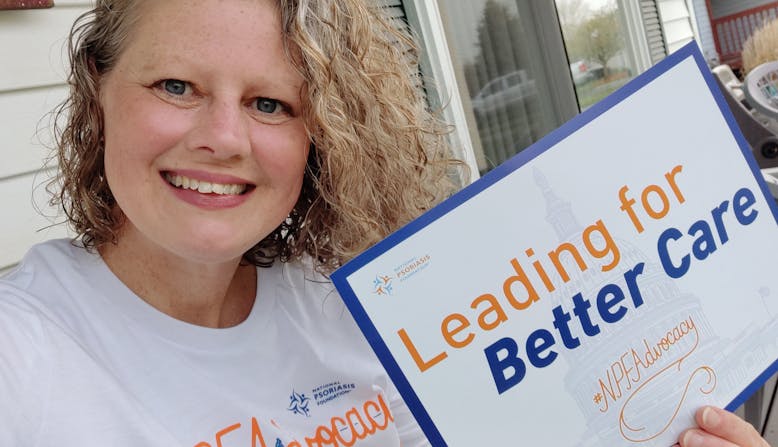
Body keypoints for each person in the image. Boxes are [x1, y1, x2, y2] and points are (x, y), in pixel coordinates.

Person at [0, 0, 770, 446]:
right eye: (176, 85)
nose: (224, 137)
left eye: (270, 103)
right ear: (98, 92)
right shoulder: (24, 365)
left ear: (319, 134)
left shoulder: (372, 317)